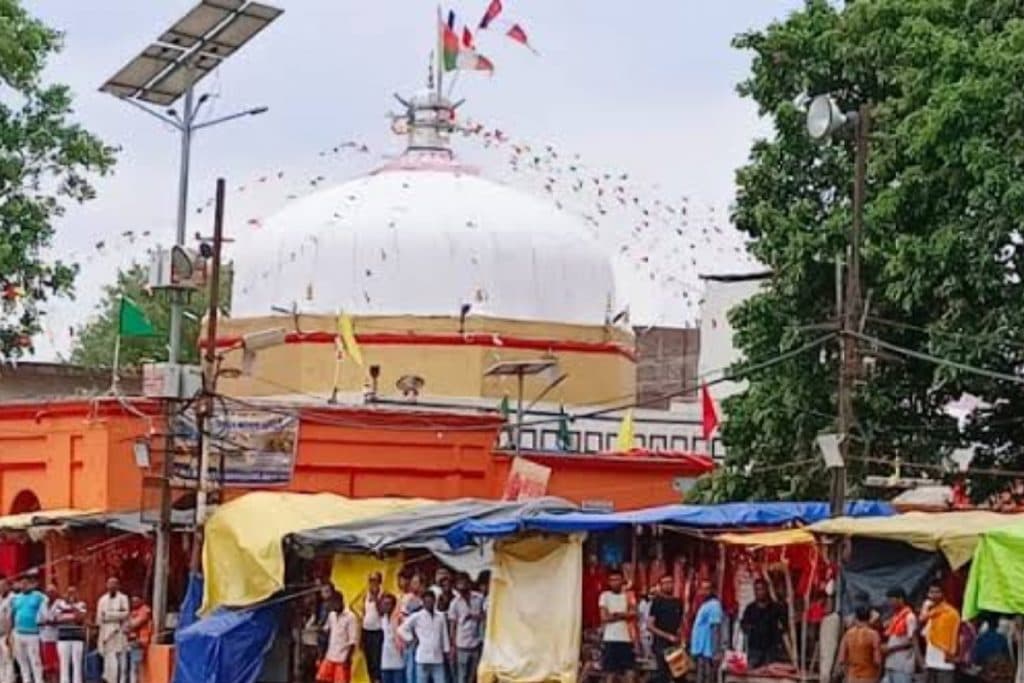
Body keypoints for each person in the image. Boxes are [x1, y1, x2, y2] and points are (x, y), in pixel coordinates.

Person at [399, 591, 450, 683]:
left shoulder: (440, 616)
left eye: (431, 601)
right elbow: (401, 629)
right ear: (423, 602)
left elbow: (444, 635)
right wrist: (411, 639)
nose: (429, 604)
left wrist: (446, 650)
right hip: (423, 657)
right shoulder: (417, 616)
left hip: (438, 657)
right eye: (426, 602)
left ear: (434, 601)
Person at [598, 569, 635, 683]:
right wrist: (623, 615)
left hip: (626, 638)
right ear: (609, 582)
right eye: (612, 580)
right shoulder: (605, 596)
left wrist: (617, 615)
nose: (615, 582)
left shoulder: (627, 596)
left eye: (617, 579)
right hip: (610, 638)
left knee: (630, 671)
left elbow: (634, 613)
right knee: (610, 672)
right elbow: (604, 617)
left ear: (622, 580)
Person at [740, 579, 787, 669]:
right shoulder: (750, 608)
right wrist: (749, 629)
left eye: (762, 589)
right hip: (754, 649)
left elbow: (784, 626)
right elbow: (743, 624)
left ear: (767, 590)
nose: (760, 592)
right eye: (757, 589)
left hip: (771, 650)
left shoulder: (775, 608)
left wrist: (778, 636)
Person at [646, 575, 684, 683]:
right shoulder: (657, 602)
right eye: (665, 583)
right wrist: (667, 636)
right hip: (661, 644)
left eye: (670, 582)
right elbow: (650, 626)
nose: (668, 585)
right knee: (663, 675)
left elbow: (681, 622)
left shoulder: (678, 602)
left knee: (679, 674)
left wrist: (680, 635)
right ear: (661, 586)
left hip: (675, 644)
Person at [920, 582, 960, 683]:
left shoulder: (951, 613)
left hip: (945, 662)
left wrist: (953, 654)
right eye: (931, 592)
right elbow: (923, 631)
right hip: (930, 661)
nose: (933, 595)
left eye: (937, 592)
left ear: (943, 594)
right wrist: (925, 608)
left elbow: (956, 635)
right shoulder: (931, 614)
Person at [447, 574, 483, 683]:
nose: (461, 586)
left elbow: (485, 616)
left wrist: (473, 616)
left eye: (463, 583)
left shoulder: (479, 598)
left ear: (469, 583)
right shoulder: (454, 603)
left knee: (472, 677)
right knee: (462, 677)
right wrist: (452, 647)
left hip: (476, 644)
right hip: (461, 645)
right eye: (459, 584)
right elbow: (452, 626)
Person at [12, 572, 46, 683]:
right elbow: (12, 614)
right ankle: (26, 680)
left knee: (35, 660)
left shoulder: (38, 596)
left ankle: (38, 680)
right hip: (18, 633)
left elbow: (48, 604)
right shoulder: (16, 598)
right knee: (21, 660)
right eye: (22, 584)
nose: (24, 586)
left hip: (33, 634)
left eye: (26, 583)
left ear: (31, 584)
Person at [317, 592, 358, 683]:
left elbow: (352, 641)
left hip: (342, 658)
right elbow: (326, 630)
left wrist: (347, 660)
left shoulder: (351, 617)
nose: (332, 606)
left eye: (333, 603)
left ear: (340, 601)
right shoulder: (331, 615)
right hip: (330, 655)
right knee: (321, 679)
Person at [96, 577, 130, 683]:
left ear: (118, 586)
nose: (112, 586)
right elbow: (99, 617)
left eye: (114, 584)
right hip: (105, 632)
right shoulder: (102, 599)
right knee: (108, 659)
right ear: (107, 586)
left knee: (121, 661)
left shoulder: (123, 598)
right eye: (110, 584)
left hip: (118, 631)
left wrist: (109, 615)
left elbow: (125, 614)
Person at [690, 580, 723, 683]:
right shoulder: (705, 604)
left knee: (707, 678)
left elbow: (715, 629)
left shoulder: (714, 605)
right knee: (700, 677)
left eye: (707, 589)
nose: (704, 591)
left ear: (712, 590)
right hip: (701, 650)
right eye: (702, 588)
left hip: (708, 650)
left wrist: (715, 652)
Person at [881, 588, 917, 683]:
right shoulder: (895, 616)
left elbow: (912, 642)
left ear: (900, 599)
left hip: (903, 664)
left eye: (891, 600)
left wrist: (891, 648)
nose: (889, 603)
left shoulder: (910, 617)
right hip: (891, 662)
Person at [839, 606, 882, 683]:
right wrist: (877, 676)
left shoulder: (848, 634)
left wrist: (847, 675)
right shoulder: (874, 635)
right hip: (869, 676)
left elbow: (841, 659)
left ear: (856, 617)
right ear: (869, 618)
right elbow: (877, 660)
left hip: (852, 676)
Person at [52, 586, 86, 683]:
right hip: (63, 638)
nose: (71, 595)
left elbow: (80, 619)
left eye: (73, 593)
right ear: (66, 594)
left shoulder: (81, 604)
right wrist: (71, 618)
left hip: (77, 638)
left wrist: (72, 607)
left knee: (77, 664)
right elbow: (57, 619)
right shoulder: (60, 605)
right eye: (69, 593)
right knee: (64, 664)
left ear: (77, 594)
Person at [972, 614, 1013, 683]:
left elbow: (976, 658)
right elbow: (1006, 656)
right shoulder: (1001, 638)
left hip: (987, 670)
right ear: (997, 625)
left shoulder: (981, 638)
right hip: (996, 669)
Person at [363, 572, 385, 683]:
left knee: (377, 660)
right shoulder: (365, 595)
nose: (372, 583)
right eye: (371, 580)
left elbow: (381, 612)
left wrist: (376, 598)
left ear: (380, 582)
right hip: (366, 631)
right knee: (369, 661)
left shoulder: (383, 595)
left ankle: (377, 680)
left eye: (375, 580)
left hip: (377, 631)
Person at [125, 596, 152, 683]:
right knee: (129, 667)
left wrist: (130, 624)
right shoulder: (133, 612)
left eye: (136, 601)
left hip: (140, 642)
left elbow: (135, 624)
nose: (134, 603)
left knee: (136, 666)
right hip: (131, 642)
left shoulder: (145, 610)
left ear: (141, 601)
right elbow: (125, 627)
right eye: (132, 601)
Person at [379, 594, 405, 683]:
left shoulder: (400, 619)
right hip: (385, 662)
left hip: (399, 661)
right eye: (384, 604)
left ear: (393, 605)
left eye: (388, 604)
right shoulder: (381, 620)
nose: (386, 606)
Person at [0, 577, 15, 683]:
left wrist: (9, 635)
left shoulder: (13, 598)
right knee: (1, 660)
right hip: (0, 633)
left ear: (8, 586)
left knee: (8, 659)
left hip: (8, 634)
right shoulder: (0, 598)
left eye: (3, 585)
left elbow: (12, 617)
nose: (1, 588)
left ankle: (9, 680)